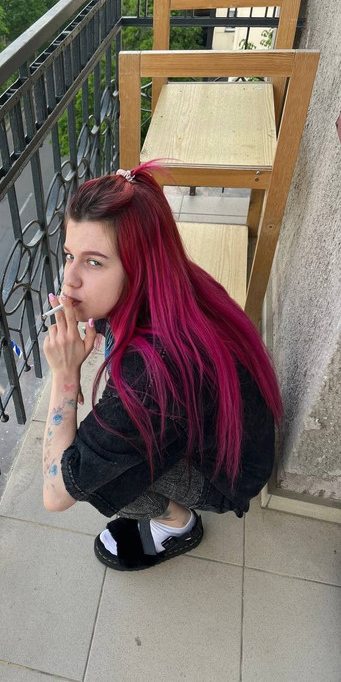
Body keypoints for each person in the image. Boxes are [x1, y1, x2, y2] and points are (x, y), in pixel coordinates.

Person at [42, 162, 282, 571]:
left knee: (102, 475)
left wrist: (65, 377)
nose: (69, 281)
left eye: (94, 262)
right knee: (113, 446)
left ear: (139, 265)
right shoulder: (172, 283)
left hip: (229, 476)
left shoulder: (149, 373)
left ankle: (177, 525)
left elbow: (58, 491)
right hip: (240, 441)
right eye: (69, 256)